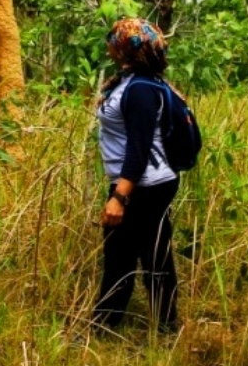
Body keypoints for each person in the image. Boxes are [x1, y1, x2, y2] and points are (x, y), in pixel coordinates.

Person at [91, 17, 181, 335]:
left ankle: (104, 328)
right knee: (152, 255)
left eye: (113, 37)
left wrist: (119, 197)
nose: (108, 42)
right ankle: (166, 326)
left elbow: (139, 150)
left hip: (144, 184)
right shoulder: (132, 81)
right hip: (143, 183)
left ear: (125, 47)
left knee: (122, 257)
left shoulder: (141, 89)